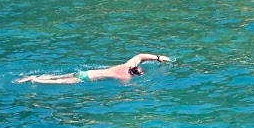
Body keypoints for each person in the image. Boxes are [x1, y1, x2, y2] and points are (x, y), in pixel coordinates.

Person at [18, 53, 173, 84]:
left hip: (86, 72)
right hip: (86, 79)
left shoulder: (126, 66)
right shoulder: (125, 78)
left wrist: (158, 57)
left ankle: (33, 76)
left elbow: (140, 55)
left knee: (54, 76)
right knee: (54, 83)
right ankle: (35, 80)